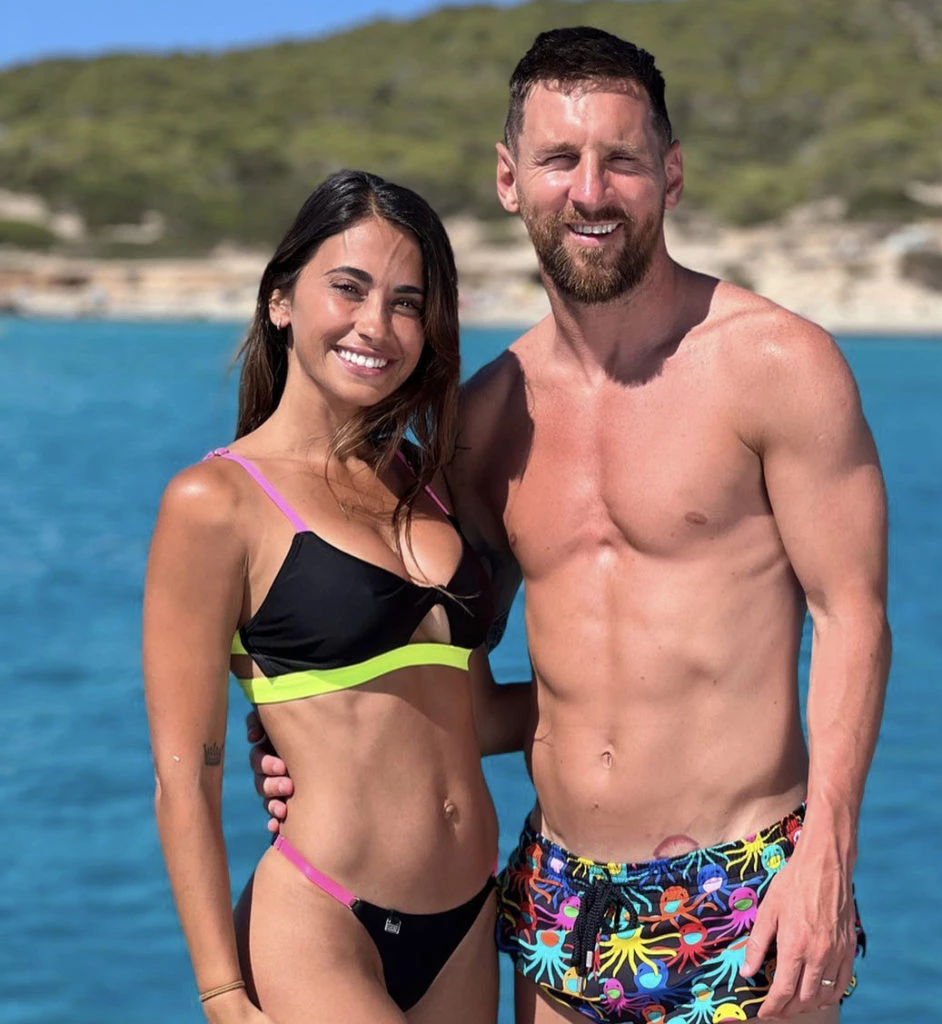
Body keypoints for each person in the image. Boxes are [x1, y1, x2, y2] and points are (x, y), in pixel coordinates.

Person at [255, 28, 891, 1024]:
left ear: (669, 174)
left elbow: (850, 615)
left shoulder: (775, 365)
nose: (588, 190)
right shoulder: (484, 422)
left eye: (621, 159)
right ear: (509, 179)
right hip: (559, 897)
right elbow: (439, 660)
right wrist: (310, 742)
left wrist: (826, 856)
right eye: (558, 159)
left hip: (745, 889)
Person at [143, 169, 530, 1024]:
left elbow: (475, 718)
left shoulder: (425, 487)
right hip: (324, 924)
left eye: (405, 302)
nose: (375, 326)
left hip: (468, 920)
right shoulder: (217, 504)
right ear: (281, 300)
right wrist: (222, 994)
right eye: (347, 290)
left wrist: (652, 704)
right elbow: (186, 779)